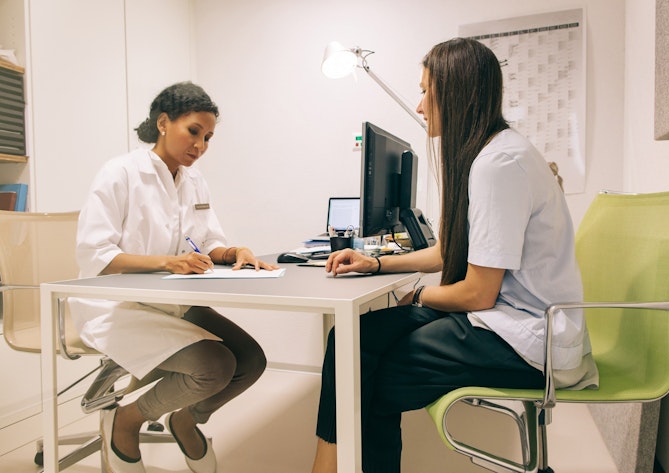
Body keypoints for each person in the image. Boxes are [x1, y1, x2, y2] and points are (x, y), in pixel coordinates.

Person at [310, 38, 599, 473]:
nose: (420, 105)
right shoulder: (490, 152)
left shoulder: (498, 165)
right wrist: (376, 263)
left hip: (525, 340)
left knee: (369, 379)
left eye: (427, 90)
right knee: (353, 341)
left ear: (457, 92)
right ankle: (329, 465)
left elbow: (478, 294)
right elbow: (449, 252)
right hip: (505, 318)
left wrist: (419, 299)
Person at [69, 81, 277, 473]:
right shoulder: (120, 173)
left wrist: (234, 252)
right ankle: (127, 418)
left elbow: (207, 241)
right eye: (194, 131)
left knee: (250, 360)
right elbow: (94, 253)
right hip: (116, 306)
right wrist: (167, 262)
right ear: (163, 123)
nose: (200, 145)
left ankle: (186, 418)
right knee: (214, 365)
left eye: (209, 137)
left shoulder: (193, 180)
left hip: (171, 301)